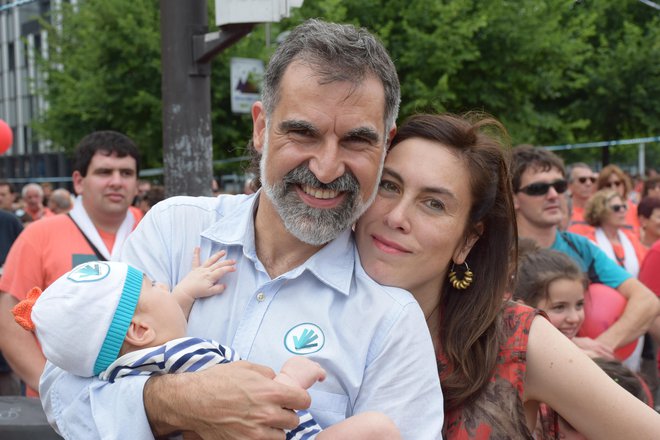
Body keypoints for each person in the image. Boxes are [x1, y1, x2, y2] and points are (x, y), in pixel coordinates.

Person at [39, 19, 443, 440]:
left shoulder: (389, 318)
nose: (326, 168)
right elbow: (61, 392)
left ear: (386, 145)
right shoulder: (174, 228)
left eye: (357, 141)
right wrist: (183, 402)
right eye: (303, 133)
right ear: (261, 128)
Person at [353, 112, 660, 438]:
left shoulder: (515, 341)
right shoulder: (307, 305)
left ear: (467, 240)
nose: (397, 216)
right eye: (389, 186)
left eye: (433, 204)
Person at [14, 258, 400, 440]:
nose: (166, 287)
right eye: (154, 286)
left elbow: (161, 333)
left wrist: (183, 292)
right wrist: (292, 376)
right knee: (377, 429)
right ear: (140, 328)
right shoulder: (186, 358)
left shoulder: (126, 365)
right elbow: (244, 398)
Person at [0, 130, 141, 397]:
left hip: (145, 405)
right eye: (104, 172)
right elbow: (9, 321)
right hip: (62, 412)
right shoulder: (39, 235)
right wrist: (55, 391)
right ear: (78, 181)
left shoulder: (154, 229)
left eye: (126, 173)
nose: (116, 182)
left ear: (136, 183)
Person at [510, 145, 659, 356]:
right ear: (513, 198)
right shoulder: (495, 254)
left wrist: (599, 347)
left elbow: (646, 300)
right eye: (538, 188)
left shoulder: (579, 246)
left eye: (559, 186)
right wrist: (572, 345)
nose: (553, 195)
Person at [512, 239, 616, 360]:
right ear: (524, 310)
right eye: (559, 307)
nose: (574, 318)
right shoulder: (521, 361)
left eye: (579, 305)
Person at [580, 189, 647, 277]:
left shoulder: (632, 239)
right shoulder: (589, 243)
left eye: (624, 206)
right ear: (601, 212)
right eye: (616, 208)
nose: (622, 210)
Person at [596, 164, 639, 234]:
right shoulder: (597, 212)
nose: (613, 188)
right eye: (608, 185)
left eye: (617, 183)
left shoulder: (636, 210)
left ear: (624, 185)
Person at [566, 162, 597, 229]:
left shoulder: (602, 212)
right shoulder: (563, 214)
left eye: (592, 180)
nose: (589, 183)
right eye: (582, 180)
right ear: (569, 186)